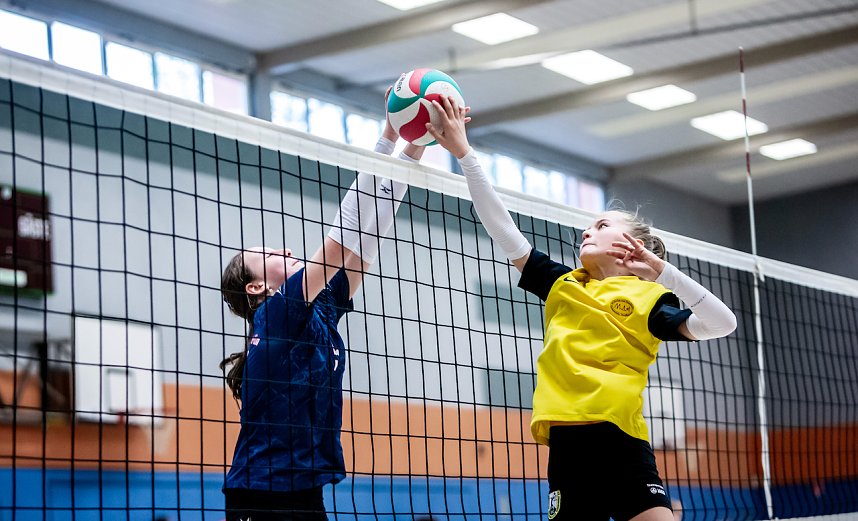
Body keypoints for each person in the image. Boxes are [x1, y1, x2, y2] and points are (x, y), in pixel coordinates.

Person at [425, 95, 737, 521]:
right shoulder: (562, 284)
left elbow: (723, 323)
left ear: (634, 247)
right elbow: (501, 226)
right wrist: (465, 154)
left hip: (623, 443)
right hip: (568, 448)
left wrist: (664, 273)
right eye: (589, 227)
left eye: (602, 226)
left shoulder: (650, 300)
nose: (588, 232)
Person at [219, 90, 428, 520]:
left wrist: (419, 138)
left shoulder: (319, 309)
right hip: (261, 497)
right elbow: (343, 233)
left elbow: (369, 236)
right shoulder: (275, 313)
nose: (286, 250)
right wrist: (387, 134)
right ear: (257, 287)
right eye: (272, 254)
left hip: (305, 490)